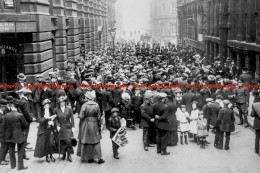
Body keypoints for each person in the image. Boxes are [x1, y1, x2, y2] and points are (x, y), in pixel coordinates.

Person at [77, 91, 105, 164]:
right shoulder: (96, 105)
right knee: (96, 141)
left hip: (86, 124)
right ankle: (99, 158)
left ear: (87, 98)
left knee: (86, 140)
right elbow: (99, 116)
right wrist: (99, 124)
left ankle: (89, 158)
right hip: (95, 123)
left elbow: (81, 116)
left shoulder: (84, 105)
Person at [4, 98, 28, 170]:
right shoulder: (20, 115)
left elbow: (4, 126)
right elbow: (25, 124)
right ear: (17, 107)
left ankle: (13, 165)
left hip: (9, 135)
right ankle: (20, 166)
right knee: (20, 150)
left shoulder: (6, 115)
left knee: (11, 151)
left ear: (12, 106)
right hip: (19, 135)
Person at [55, 96, 75, 162]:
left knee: (68, 142)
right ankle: (63, 154)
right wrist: (57, 125)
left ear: (65, 102)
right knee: (62, 142)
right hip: (61, 128)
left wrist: (73, 127)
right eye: (61, 102)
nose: (62, 103)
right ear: (59, 103)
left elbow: (72, 118)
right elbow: (56, 119)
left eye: (63, 102)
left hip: (68, 127)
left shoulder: (69, 109)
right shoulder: (56, 110)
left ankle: (68, 155)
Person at [0, 99, 9, 165]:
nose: (4, 108)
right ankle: (1, 160)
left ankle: (3, 159)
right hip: (1, 133)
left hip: (4, 132)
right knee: (4, 146)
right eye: (4, 107)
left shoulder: (2, 113)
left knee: (5, 146)